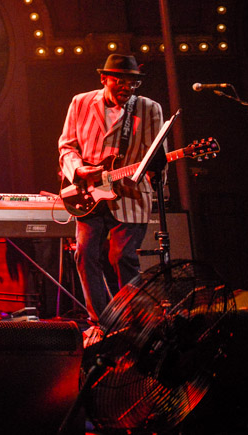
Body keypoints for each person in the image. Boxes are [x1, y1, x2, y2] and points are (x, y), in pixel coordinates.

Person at [58, 54, 163, 324]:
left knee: (122, 258)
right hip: (88, 192)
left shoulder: (149, 109)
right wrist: (79, 171)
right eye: (120, 81)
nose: (127, 88)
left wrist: (151, 176)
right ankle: (103, 322)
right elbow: (67, 147)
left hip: (129, 194)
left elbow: (157, 156)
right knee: (84, 255)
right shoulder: (80, 102)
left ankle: (133, 321)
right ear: (104, 78)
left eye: (132, 83)